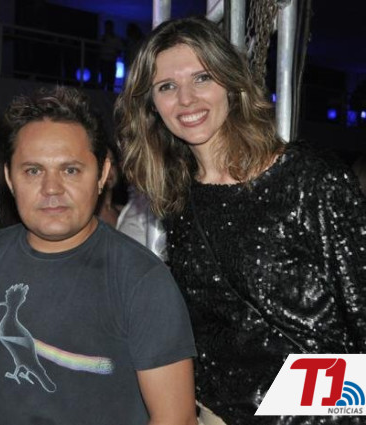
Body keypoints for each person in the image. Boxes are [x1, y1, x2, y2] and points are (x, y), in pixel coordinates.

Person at [115, 16, 366, 424]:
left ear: (231, 84)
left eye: (202, 78)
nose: (186, 99)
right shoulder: (178, 199)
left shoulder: (309, 178)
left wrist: (284, 407)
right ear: (151, 105)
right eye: (167, 87)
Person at [0, 86, 197, 425]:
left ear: (102, 174)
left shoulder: (140, 279)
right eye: (33, 170)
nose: (51, 189)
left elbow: (176, 419)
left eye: (70, 170)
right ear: (10, 178)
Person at [98, 20, 123, 91]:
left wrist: (114, 53)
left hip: (112, 61)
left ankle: (109, 95)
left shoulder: (116, 38)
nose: (107, 29)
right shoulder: (102, 37)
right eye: (106, 27)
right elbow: (98, 47)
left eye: (108, 27)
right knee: (103, 80)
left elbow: (120, 49)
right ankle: (101, 94)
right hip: (103, 61)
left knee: (111, 81)